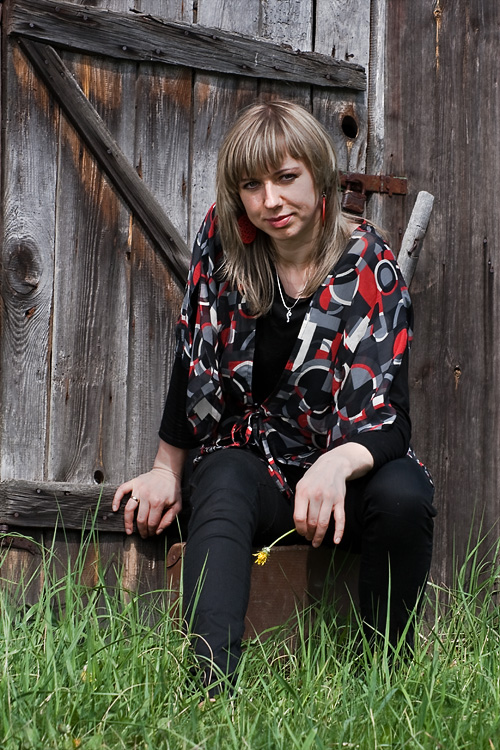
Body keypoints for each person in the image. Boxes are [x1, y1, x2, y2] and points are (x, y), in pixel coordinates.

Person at [112, 100, 435, 695]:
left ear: (319, 175)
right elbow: (192, 354)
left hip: (341, 479)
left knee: (404, 495)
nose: (271, 201)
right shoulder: (224, 243)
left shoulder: (371, 266)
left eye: (286, 178)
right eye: (252, 186)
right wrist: (164, 469)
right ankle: (209, 688)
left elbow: (390, 420)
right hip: (255, 461)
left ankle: (382, 681)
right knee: (223, 480)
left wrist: (335, 465)